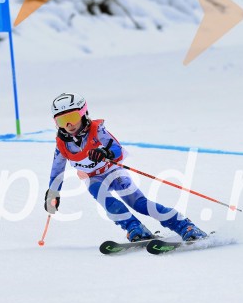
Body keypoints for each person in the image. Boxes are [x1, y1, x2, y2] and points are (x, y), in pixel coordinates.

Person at [44, 93, 208, 242]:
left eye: (72, 116)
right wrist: (53, 193)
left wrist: (105, 152)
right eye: (62, 120)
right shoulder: (62, 144)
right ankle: (134, 228)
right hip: (92, 178)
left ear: (83, 113)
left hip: (113, 172)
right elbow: (57, 171)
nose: (69, 124)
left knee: (139, 204)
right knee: (110, 205)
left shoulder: (97, 130)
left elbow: (118, 150)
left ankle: (184, 226)